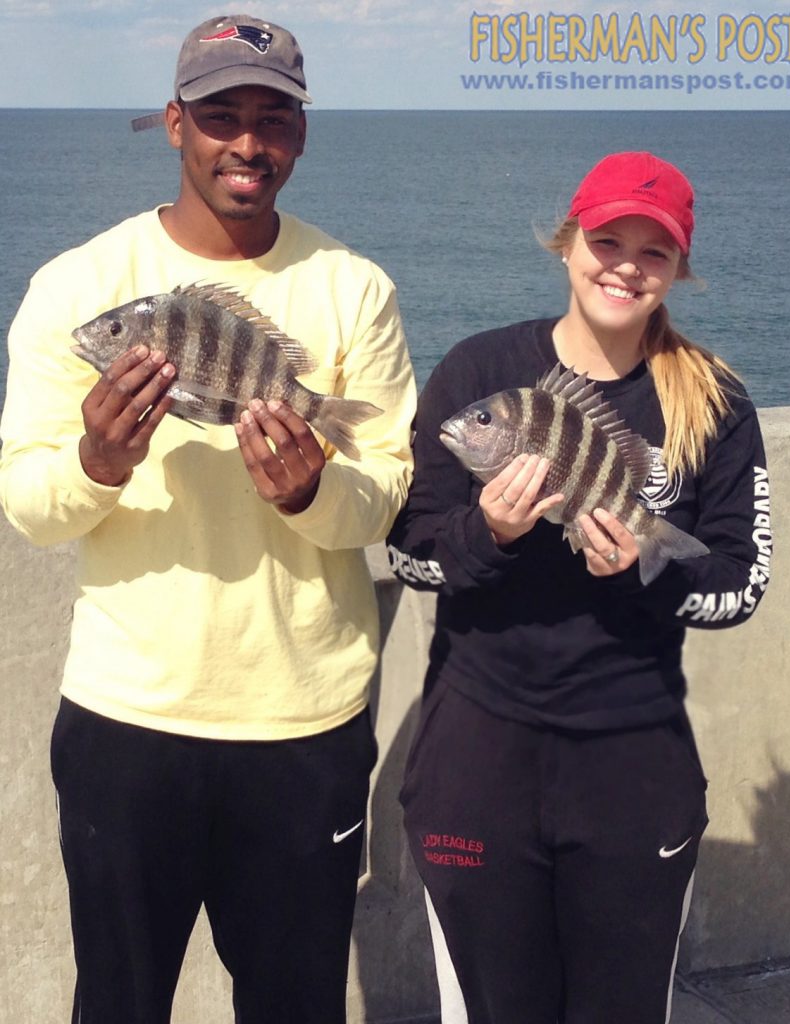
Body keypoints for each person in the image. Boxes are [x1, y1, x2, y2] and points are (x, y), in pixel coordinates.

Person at [0, 14, 415, 1024]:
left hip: (304, 721)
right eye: (222, 115)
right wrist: (97, 463)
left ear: (300, 136)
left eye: (272, 118)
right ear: (176, 125)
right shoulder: (77, 288)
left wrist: (312, 493)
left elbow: (389, 484)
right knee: (122, 1001)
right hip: (127, 720)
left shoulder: (354, 290)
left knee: (295, 1002)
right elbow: (28, 502)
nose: (248, 142)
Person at [386, 151, 771, 1023]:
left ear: (677, 269)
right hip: (476, 773)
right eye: (606, 240)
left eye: (654, 251)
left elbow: (739, 584)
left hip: (633, 774)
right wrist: (492, 533)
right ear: (567, 245)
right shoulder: (481, 373)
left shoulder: (714, 402)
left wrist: (642, 568)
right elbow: (409, 549)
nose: (625, 265)